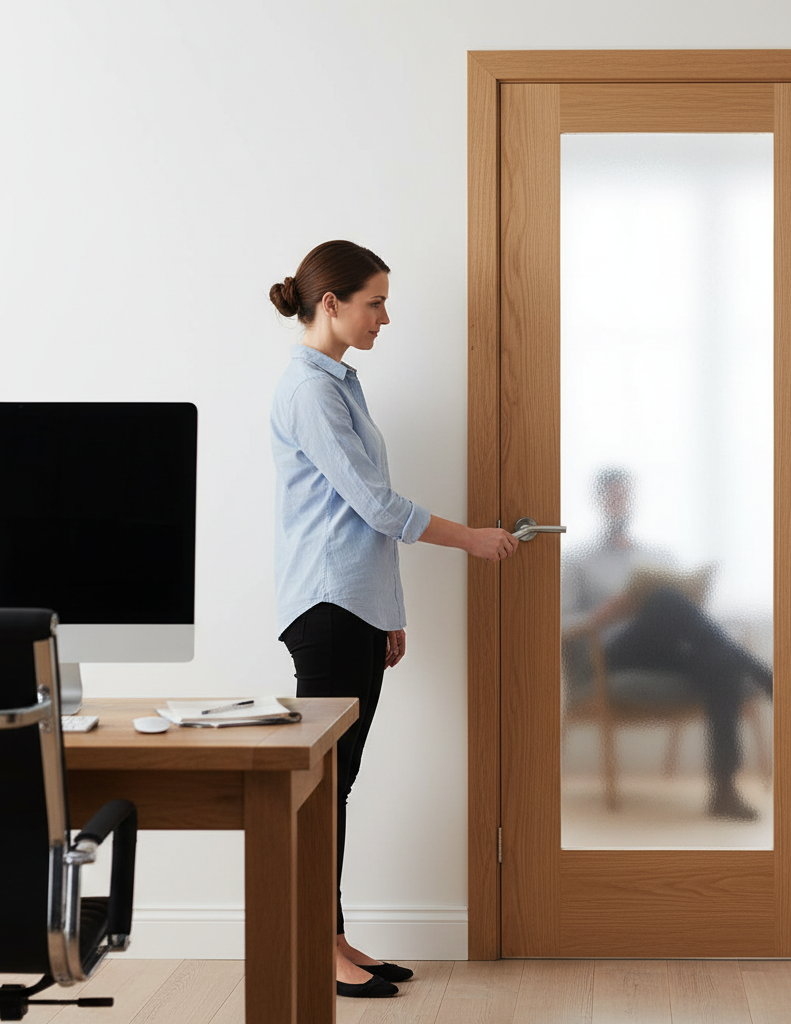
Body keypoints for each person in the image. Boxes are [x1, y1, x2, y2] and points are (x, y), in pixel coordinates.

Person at [268, 240, 518, 999]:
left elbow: (360, 513)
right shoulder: (312, 392)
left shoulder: (339, 384)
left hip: (354, 608)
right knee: (324, 786)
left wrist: (388, 615)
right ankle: (318, 944)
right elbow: (378, 506)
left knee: (334, 784)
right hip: (327, 607)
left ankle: (334, 935)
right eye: (374, 302)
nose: (386, 316)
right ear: (332, 304)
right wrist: (472, 539)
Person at [562, 467, 772, 822]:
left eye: (624, 495)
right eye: (612, 495)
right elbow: (562, 624)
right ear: (600, 501)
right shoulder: (579, 561)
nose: (619, 501)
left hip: (665, 650)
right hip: (615, 654)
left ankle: (724, 790)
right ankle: (759, 671)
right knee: (662, 600)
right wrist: (605, 613)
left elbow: (692, 618)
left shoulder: (659, 556)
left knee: (720, 662)